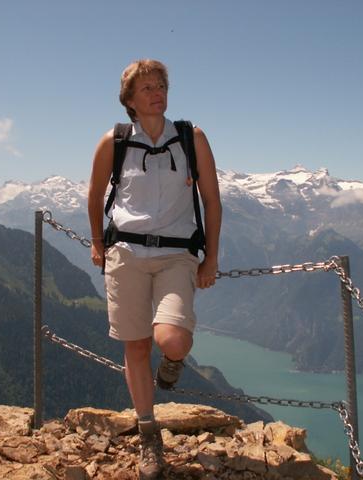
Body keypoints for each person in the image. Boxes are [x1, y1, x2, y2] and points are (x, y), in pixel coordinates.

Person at [88, 59, 222, 479]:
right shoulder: (114, 141)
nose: (157, 93)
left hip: (176, 255)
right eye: (146, 88)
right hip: (126, 254)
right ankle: (149, 434)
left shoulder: (191, 138)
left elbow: (212, 201)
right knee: (136, 346)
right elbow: (94, 195)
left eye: (161, 85)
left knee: (173, 340)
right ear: (129, 99)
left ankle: (173, 361)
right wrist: (97, 242)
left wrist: (211, 257)